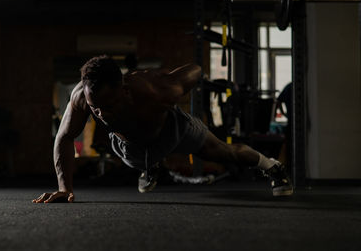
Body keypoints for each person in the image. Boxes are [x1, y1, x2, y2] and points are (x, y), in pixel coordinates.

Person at [32, 56, 293, 203]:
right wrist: (65, 188)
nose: (100, 114)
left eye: (108, 106)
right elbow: (65, 137)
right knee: (131, 153)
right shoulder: (81, 98)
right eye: (94, 108)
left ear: (124, 91)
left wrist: (200, 80)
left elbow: (195, 69)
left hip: (173, 129)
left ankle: (272, 167)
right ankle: (152, 166)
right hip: (131, 147)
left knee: (225, 153)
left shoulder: (158, 89)